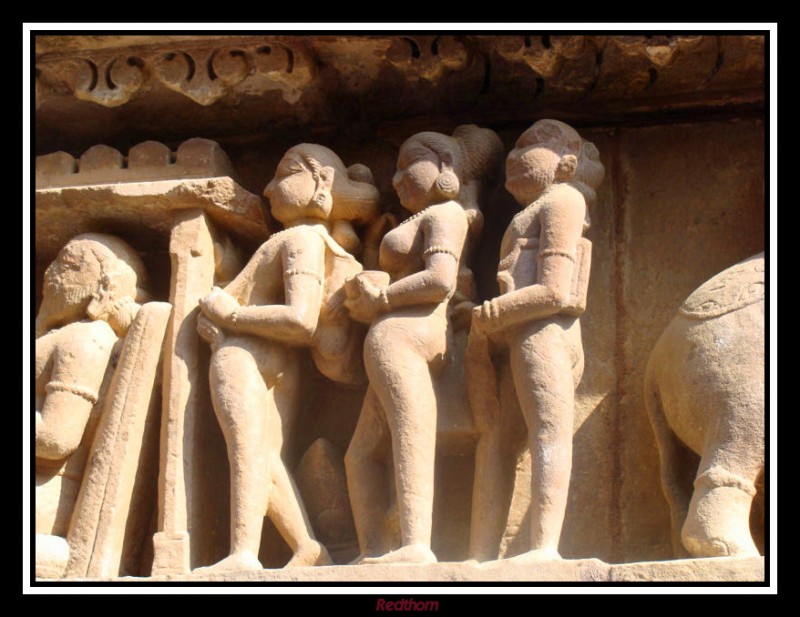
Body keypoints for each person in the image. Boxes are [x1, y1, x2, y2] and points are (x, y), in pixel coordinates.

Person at [196, 144, 381, 571]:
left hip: (247, 353)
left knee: (245, 450)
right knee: (263, 455)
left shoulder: (299, 239)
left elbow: (301, 320)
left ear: (320, 184)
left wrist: (232, 315)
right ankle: (307, 548)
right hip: (269, 357)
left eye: (284, 174)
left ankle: (243, 553)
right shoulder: (298, 239)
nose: (268, 187)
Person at [344, 125, 503, 564]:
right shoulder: (420, 218)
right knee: (359, 456)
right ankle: (374, 551)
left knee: (410, 435)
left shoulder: (446, 215)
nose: (395, 180)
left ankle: (416, 546)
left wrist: (383, 298)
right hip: (393, 336)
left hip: (408, 335)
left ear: (445, 167)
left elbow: (440, 280)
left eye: (407, 165)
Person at [470, 119, 605, 561]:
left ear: (567, 161)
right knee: (498, 440)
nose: (513, 156)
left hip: (543, 333)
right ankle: (480, 555)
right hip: (522, 335)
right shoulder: (534, 209)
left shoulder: (563, 200)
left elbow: (555, 290)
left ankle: (544, 548)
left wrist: (493, 313)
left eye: (529, 144)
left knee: (550, 432)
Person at [35, 233, 149, 577]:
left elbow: (56, 437)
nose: (50, 273)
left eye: (68, 265)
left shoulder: (84, 340)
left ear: (103, 285)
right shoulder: (65, 335)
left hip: (47, 497)